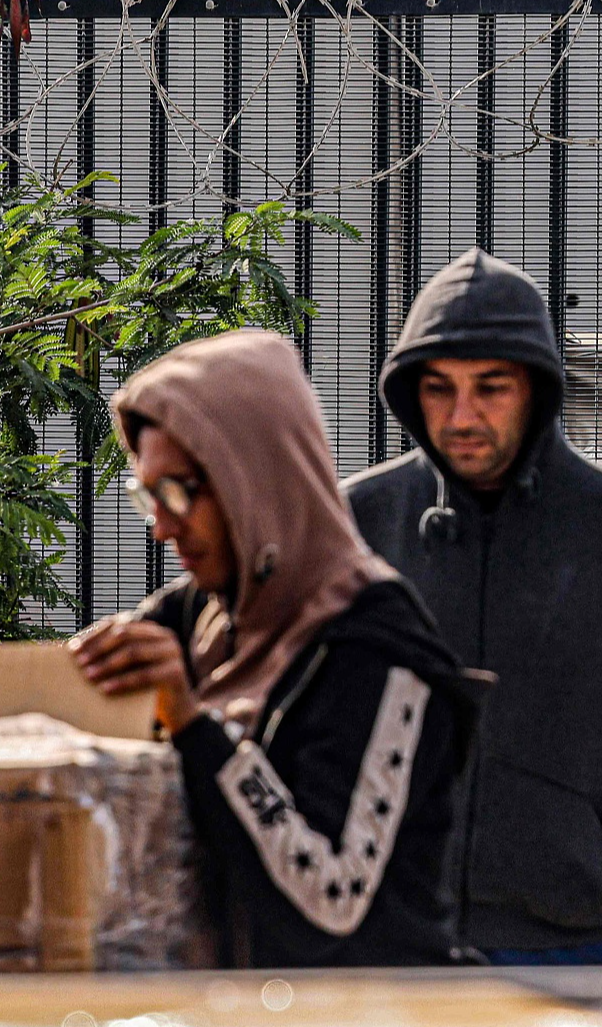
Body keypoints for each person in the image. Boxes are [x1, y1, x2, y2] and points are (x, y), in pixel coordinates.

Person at [344, 247, 602, 966]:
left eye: (489, 388)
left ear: (535, 387)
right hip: (385, 940)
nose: (461, 416)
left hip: (569, 940)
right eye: (437, 389)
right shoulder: (358, 519)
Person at [70, 330, 484, 968]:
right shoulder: (199, 615)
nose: (161, 525)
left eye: (179, 491)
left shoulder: (375, 646)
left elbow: (332, 902)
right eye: (148, 496)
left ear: (252, 480)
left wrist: (196, 729)